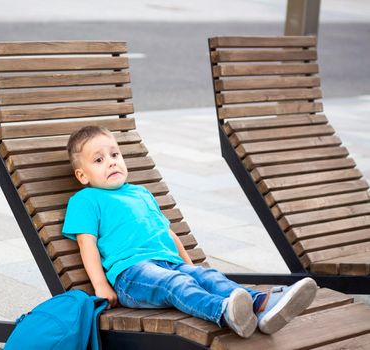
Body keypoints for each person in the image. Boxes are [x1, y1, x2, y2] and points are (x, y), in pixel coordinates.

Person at [62, 125, 317, 338]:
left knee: (209, 278)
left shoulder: (141, 193)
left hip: (168, 263)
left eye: (115, 155)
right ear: (82, 175)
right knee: (176, 283)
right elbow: (87, 244)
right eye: (99, 159)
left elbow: (169, 233)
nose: (111, 163)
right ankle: (224, 311)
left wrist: (192, 268)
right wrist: (100, 285)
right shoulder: (86, 199)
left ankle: (262, 306)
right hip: (132, 275)